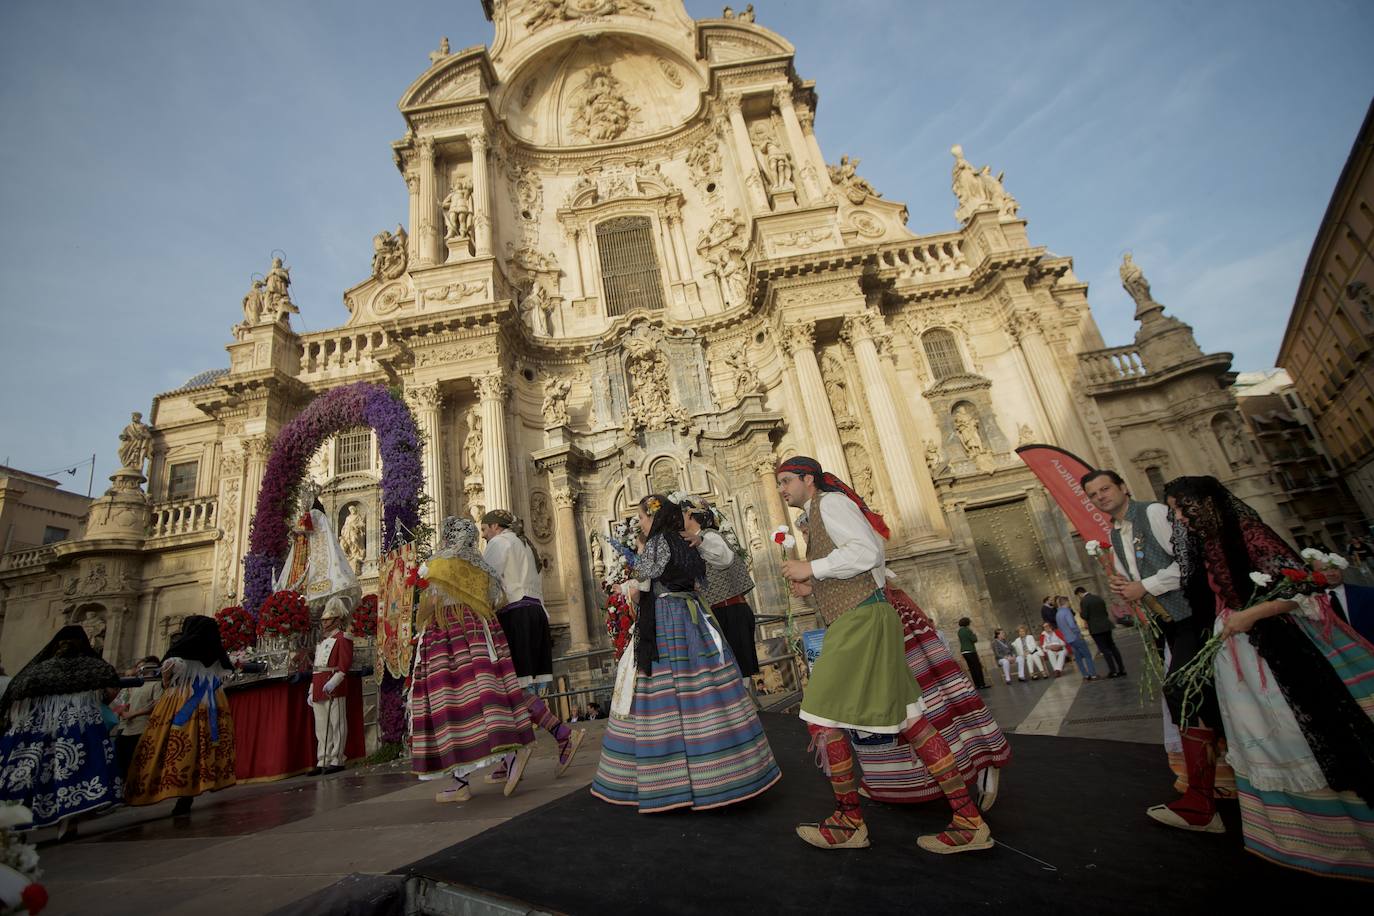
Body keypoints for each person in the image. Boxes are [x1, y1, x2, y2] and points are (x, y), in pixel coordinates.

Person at [776, 456, 992, 854]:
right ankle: (968, 819)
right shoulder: (817, 514)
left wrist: (812, 567)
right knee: (911, 719)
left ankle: (848, 821)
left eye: (787, 481)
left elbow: (866, 553)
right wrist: (815, 586)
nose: (782, 489)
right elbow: (863, 562)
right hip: (867, 615)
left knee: (821, 717)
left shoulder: (831, 504)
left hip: (860, 622)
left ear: (809, 479)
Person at [1164, 475, 1374, 879]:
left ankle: (1349, 839)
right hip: (1235, 653)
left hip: (1275, 649)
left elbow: (1300, 586)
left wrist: (1249, 615)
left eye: (1180, 507)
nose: (1178, 517)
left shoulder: (1247, 531)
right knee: (1259, 738)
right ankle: (1294, 837)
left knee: (1298, 735)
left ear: (1203, 504)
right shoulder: (1204, 544)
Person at [591, 494, 780, 812]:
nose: (640, 522)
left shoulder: (654, 544)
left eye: (642, 517)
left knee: (661, 697)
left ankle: (669, 782)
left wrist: (626, 591)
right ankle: (728, 771)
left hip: (666, 622)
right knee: (704, 690)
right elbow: (724, 560)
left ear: (653, 516)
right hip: (693, 618)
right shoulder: (687, 541)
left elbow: (643, 589)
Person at [1083, 468, 1222, 832]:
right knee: (1201, 698)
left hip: (1193, 615)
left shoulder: (1154, 514)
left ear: (1123, 487)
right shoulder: (1114, 534)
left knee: (1182, 692)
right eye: (1094, 495)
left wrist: (1143, 585)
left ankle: (1201, 802)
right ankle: (1213, 786)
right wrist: (1125, 586)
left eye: (1105, 489)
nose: (1101, 497)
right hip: (1169, 625)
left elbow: (1188, 562)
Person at [851, 582, 1011, 811]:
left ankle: (980, 763)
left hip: (880, 624)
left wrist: (815, 571)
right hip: (881, 621)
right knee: (928, 703)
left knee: (918, 708)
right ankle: (893, 782)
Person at [411, 517, 537, 802]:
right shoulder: (482, 567)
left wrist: (420, 607)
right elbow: (498, 600)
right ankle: (510, 752)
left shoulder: (439, 564)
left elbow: (430, 602)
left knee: (450, 702)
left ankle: (460, 781)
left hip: (447, 635)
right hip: (482, 632)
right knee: (488, 696)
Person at [480, 510, 585, 785]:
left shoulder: (499, 543)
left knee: (508, 686)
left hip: (514, 614)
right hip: (536, 613)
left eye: (484, 528)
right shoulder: (525, 545)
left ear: (494, 526)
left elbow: (485, 581)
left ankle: (562, 734)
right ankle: (509, 756)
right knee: (514, 686)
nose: (483, 534)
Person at [0, 626, 122, 838]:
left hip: (36, 729)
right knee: (73, 770)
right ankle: (68, 823)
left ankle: (20, 821)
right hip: (77, 725)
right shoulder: (94, 666)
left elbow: (15, 694)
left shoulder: (38, 669)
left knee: (31, 772)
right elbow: (111, 690)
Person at [125, 616, 237, 815]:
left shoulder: (180, 650)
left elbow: (166, 676)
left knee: (169, 743)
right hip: (212, 701)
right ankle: (199, 783)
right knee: (204, 745)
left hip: (182, 698)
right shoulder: (216, 653)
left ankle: (167, 785)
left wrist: (170, 685)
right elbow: (226, 677)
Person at [682, 499, 760, 679]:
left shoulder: (709, 536)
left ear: (690, 515)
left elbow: (724, 559)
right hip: (716, 614)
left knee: (740, 671)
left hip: (730, 611)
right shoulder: (692, 544)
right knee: (726, 672)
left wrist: (700, 541)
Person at [309, 598, 353, 776]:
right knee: (321, 726)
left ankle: (337, 758)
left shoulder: (343, 638)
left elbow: (344, 665)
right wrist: (312, 688)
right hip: (320, 685)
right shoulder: (322, 641)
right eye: (323, 620)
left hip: (333, 684)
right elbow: (317, 667)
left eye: (327, 620)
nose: (324, 623)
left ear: (337, 620)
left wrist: (334, 682)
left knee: (337, 723)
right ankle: (323, 759)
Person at [112, 656, 163, 780]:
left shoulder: (156, 684)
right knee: (120, 760)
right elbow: (127, 702)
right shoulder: (136, 684)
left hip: (142, 728)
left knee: (137, 761)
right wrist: (123, 710)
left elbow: (156, 704)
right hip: (127, 728)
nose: (141, 669)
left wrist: (133, 714)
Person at [1319, 558, 1374, 643]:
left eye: (1335, 568)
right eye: (1324, 570)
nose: (1331, 573)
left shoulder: (1368, 593)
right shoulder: (1314, 603)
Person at [1076, 586, 1125, 678]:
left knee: (1104, 650)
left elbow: (1085, 615)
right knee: (1113, 647)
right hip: (1106, 625)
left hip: (1096, 629)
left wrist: (1080, 612)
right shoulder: (1098, 597)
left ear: (1079, 593)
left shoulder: (1084, 601)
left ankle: (1113, 671)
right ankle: (1121, 668)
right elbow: (1105, 612)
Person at [1056, 595, 1098, 680]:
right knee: (1087, 655)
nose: (1069, 604)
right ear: (1066, 602)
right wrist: (1078, 633)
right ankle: (1093, 674)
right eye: (1069, 602)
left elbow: (1060, 627)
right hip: (1075, 637)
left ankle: (1085, 675)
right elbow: (1072, 625)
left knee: (1078, 657)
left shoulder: (1057, 614)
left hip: (1068, 638)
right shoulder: (1067, 611)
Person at [956, 617, 988, 689]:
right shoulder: (968, 630)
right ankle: (982, 684)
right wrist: (974, 634)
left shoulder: (959, 631)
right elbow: (974, 639)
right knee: (977, 667)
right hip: (970, 651)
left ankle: (977, 685)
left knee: (972, 668)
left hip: (964, 651)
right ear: (967, 623)